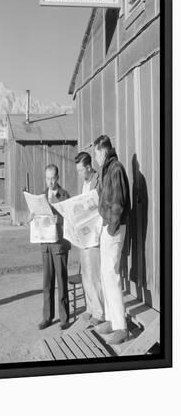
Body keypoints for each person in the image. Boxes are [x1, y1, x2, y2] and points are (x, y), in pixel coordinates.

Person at [93, 135, 130, 345]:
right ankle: (110, 318)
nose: (96, 157)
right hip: (108, 227)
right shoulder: (108, 169)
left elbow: (118, 202)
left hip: (113, 228)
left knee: (112, 275)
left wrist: (111, 227)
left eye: (97, 153)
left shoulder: (115, 168)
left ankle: (121, 327)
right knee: (105, 275)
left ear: (103, 151)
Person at [29, 164, 71, 330]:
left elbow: (71, 218)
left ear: (58, 177)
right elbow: (35, 217)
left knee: (61, 281)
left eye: (53, 178)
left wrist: (58, 220)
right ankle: (47, 317)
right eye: (47, 178)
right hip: (45, 244)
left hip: (59, 245)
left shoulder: (65, 195)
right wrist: (31, 216)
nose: (50, 182)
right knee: (47, 283)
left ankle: (64, 318)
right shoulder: (41, 196)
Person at [75, 151, 104, 326]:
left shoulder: (97, 181)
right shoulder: (85, 183)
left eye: (80, 170)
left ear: (88, 167)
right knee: (85, 272)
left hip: (94, 234)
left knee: (95, 275)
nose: (79, 174)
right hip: (83, 234)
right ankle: (90, 308)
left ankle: (99, 312)